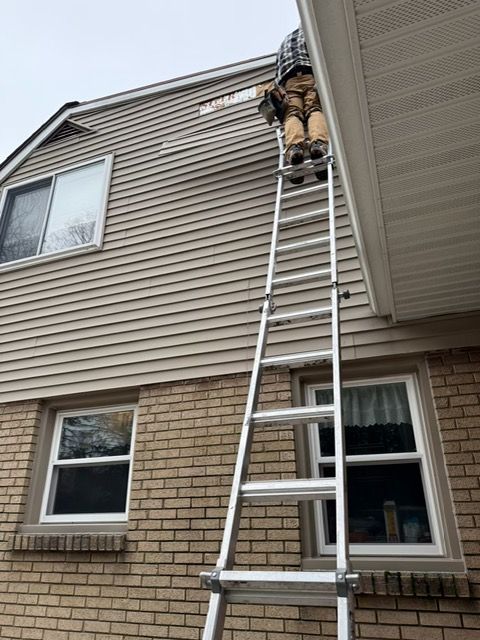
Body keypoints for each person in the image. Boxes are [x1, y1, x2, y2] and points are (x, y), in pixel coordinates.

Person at [275, 25, 329, 183]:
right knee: (314, 109)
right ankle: (318, 144)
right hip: (309, 75)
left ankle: (294, 149)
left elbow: (277, 72)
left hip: (289, 82)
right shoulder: (309, 33)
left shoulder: (284, 42)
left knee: (292, 114)